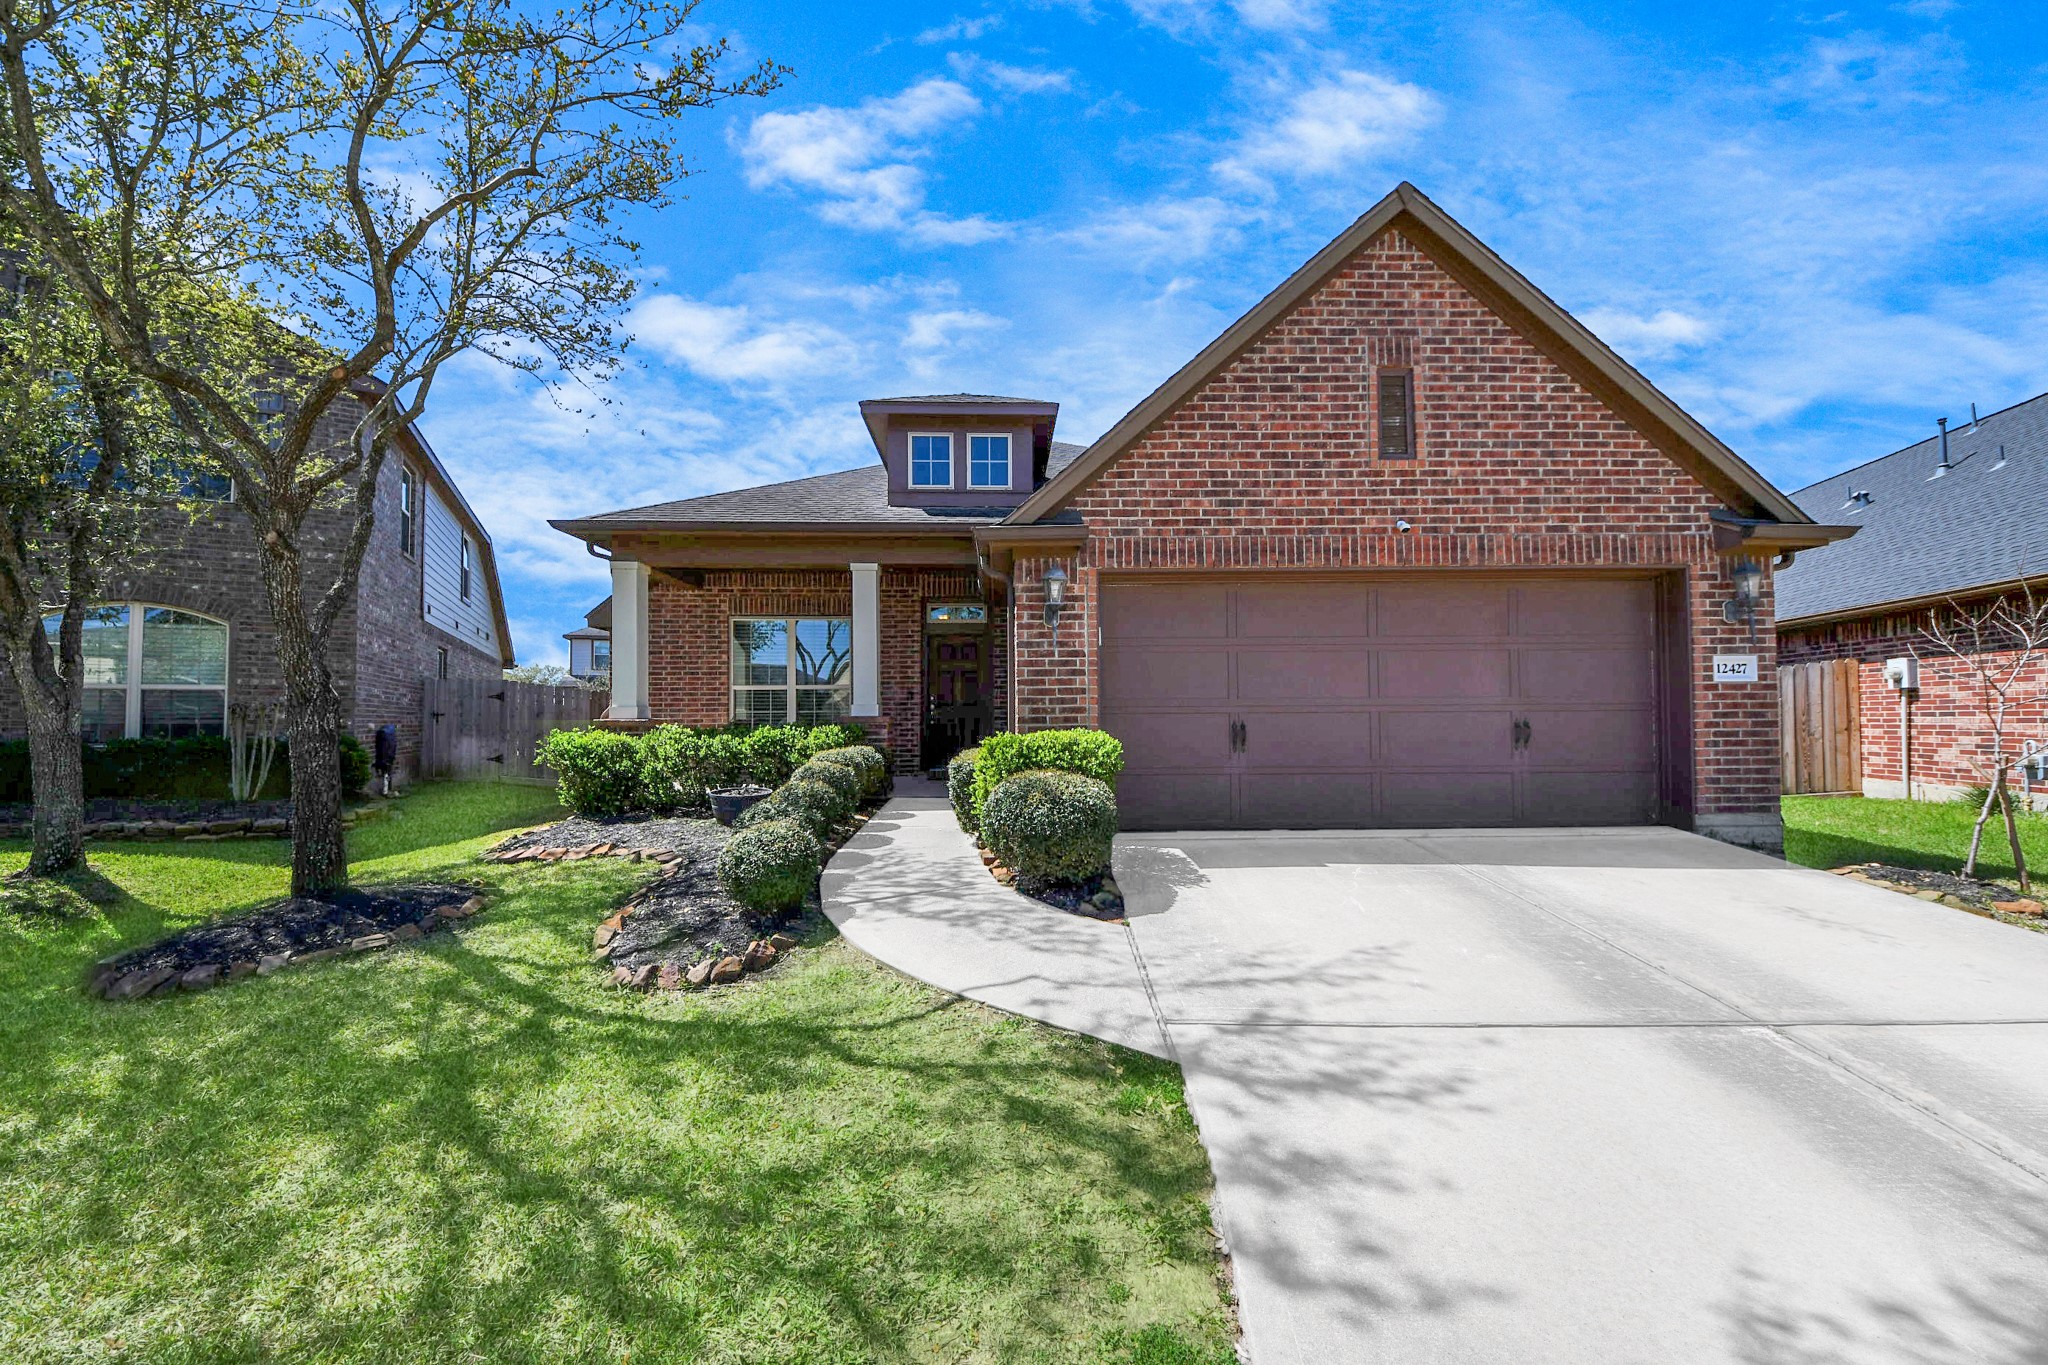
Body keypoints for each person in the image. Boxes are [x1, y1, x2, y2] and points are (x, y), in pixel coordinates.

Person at [373, 723, 399, 797]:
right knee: (387, 769)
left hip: (383, 758)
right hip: (386, 758)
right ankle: (386, 790)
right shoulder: (389, 735)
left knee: (386, 770)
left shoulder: (383, 734)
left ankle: (386, 790)